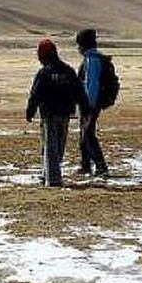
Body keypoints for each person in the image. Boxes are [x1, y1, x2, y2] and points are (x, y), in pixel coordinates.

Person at [26, 39, 87, 187]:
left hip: (49, 114)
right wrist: (84, 109)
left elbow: (36, 94)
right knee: (59, 145)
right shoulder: (68, 71)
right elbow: (79, 92)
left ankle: (52, 178)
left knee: (50, 146)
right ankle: (48, 173)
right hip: (65, 113)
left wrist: (30, 111)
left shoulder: (44, 73)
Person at [76, 29, 110, 177]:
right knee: (84, 133)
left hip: (90, 104)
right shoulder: (92, 58)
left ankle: (100, 166)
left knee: (88, 134)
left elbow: (92, 85)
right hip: (89, 103)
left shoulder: (92, 60)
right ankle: (86, 165)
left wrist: (88, 106)